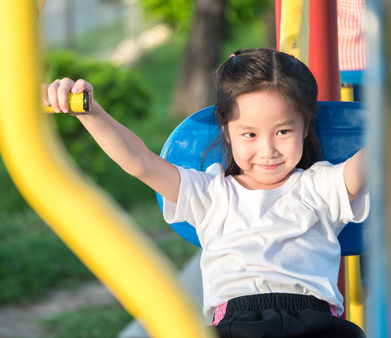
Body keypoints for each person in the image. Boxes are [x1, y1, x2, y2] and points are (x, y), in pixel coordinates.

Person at [43, 48, 369, 338]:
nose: (267, 149)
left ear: (305, 127)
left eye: (283, 131)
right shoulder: (210, 192)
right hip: (236, 325)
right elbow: (140, 162)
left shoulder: (319, 187)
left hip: (315, 323)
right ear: (226, 130)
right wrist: (88, 112)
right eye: (250, 134)